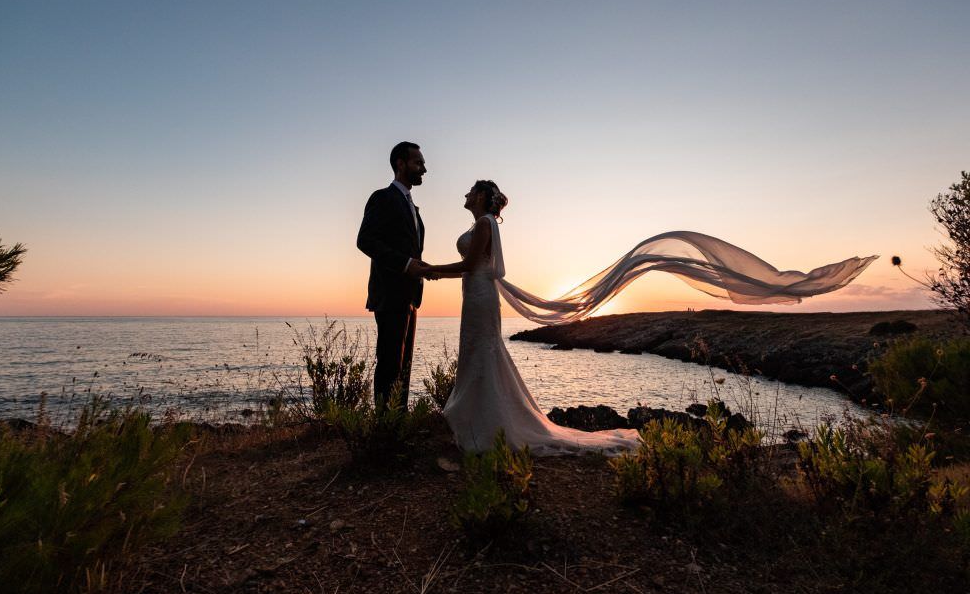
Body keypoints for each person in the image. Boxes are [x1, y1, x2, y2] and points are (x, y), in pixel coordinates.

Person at [416, 180, 877, 455]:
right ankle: (477, 415)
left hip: (477, 295)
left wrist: (425, 271)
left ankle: (483, 423)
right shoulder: (485, 224)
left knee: (482, 351)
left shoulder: (482, 225)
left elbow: (471, 266)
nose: (465, 193)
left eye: (470, 189)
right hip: (476, 298)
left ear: (482, 197)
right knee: (481, 351)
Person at [356, 141, 428, 411]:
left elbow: (410, 250)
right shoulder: (382, 198)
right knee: (389, 365)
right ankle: (384, 428)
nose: (424, 168)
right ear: (401, 163)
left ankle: (398, 424)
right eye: (418, 162)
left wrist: (420, 268)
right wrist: (405, 264)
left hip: (411, 296)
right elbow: (365, 240)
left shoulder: (414, 209)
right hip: (389, 295)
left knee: (404, 367)